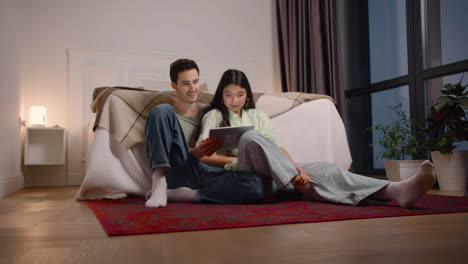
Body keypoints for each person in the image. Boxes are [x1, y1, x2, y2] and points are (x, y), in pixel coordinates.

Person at [195, 69, 436, 208]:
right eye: (229, 95)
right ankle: (298, 183)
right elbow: (203, 154)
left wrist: (296, 168)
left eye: (239, 94)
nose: (234, 100)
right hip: (243, 173)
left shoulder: (258, 115)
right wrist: (232, 163)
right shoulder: (214, 115)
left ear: (247, 95)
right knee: (249, 137)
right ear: (221, 95)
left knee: (327, 169)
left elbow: (277, 147)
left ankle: (396, 191)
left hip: (276, 172)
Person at [144, 59, 264, 208]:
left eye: (195, 82)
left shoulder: (211, 112)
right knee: (160, 110)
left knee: (255, 184)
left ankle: (184, 195)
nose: (192, 88)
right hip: (181, 170)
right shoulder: (166, 116)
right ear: (174, 86)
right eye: (185, 83)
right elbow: (174, 154)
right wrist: (196, 152)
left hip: (208, 173)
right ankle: (159, 183)